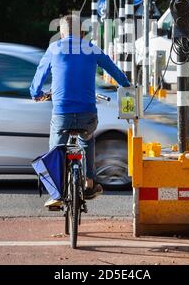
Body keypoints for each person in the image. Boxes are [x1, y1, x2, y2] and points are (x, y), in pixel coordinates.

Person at [30, 14, 130, 208]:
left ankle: (57, 193)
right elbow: (116, 72)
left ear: (61, 33)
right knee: (87, 140)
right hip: (87, 115)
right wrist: (126, 86)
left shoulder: (54, 48)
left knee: (56, 149)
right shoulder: (91, 49)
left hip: (62, 115)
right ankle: (89, 183)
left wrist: (37, 94)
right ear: (82, 33)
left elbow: (38, 80)